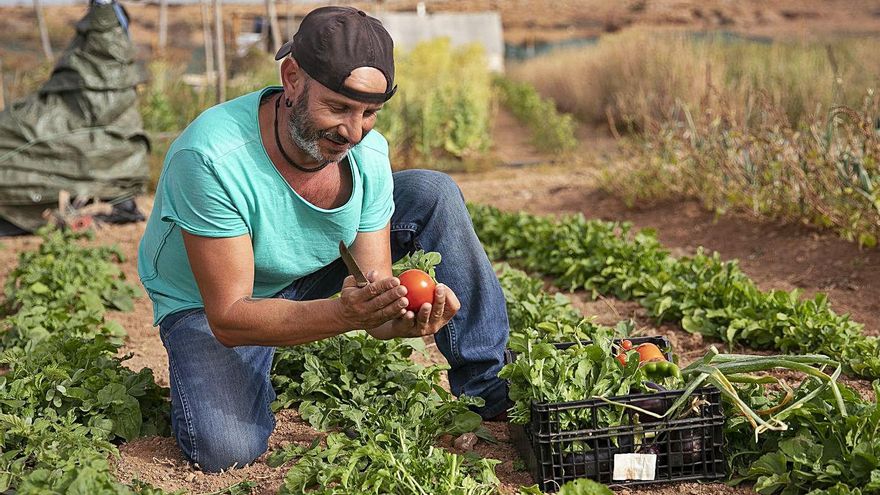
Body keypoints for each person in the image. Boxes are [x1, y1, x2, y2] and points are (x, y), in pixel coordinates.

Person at [137, 6, 510, 472]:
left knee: (432, 192)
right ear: (292, 77)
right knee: (226, 450)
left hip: (307, 270)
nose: (353, 132)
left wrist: (392, 315)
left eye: (369, 112)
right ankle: (261, 349)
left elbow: (369, 298)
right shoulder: (212, 157)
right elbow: (230, 318)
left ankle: (489, 388)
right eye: (337, 108)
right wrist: (340, 313)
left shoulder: (366, 152)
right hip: (213, 303)